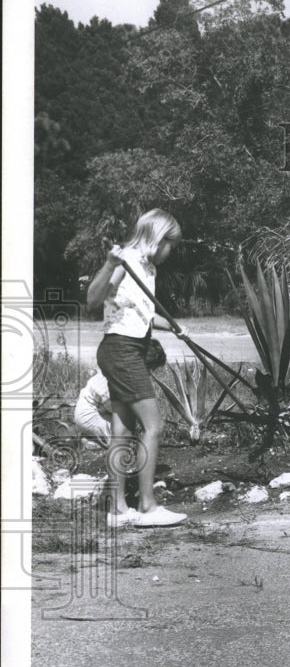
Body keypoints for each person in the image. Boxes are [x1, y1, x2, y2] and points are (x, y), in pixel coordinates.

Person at [86, 209, 188, 528]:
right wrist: (108, 265)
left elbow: (142, 315)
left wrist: (173, 326)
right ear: (158, 239)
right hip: (121, 349)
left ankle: (118, 510)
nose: (172, 253)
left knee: (123, 430)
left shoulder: (146, 267)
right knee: (154, 425)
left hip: (128, 346)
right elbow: (92, 299)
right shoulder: (126, 260)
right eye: (171, 245)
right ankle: (147, 506)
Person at [74, 339, 167, 445]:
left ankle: (91, 436)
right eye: (150, 369)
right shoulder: (118, 376)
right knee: (122, 438)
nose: (150, 374)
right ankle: (90, 441)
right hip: (89, 413)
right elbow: (112, 406)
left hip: (100, 409)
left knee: (127, 429)